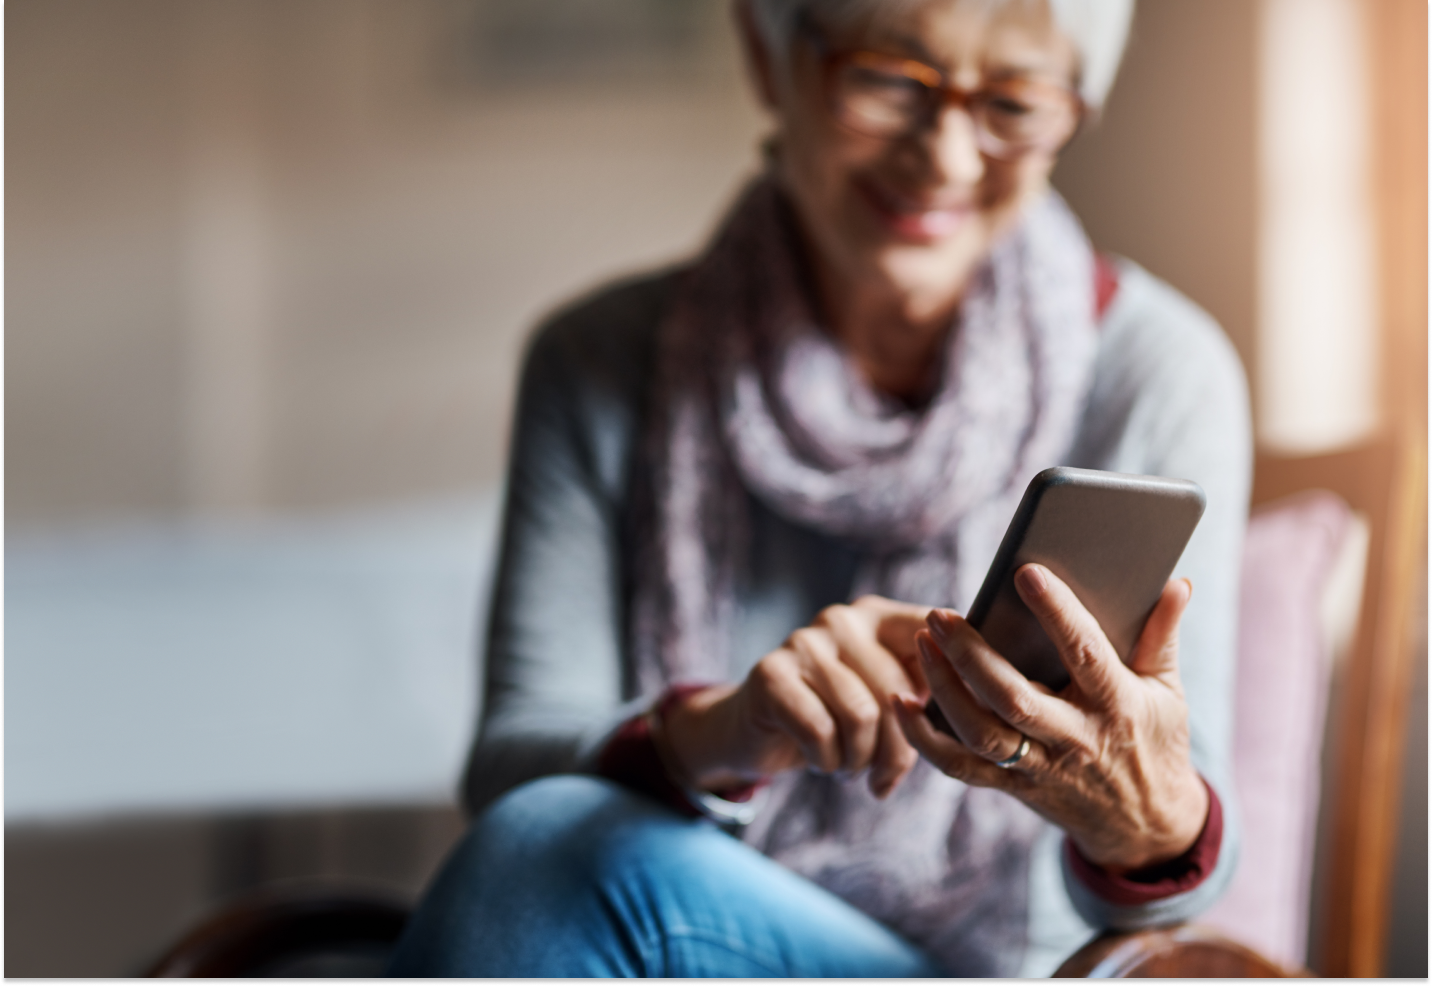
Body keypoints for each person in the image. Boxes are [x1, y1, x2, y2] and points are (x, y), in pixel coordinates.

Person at [389, 0, 1251, 977]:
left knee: (543, 861)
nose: (946, 158)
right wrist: (730, 725)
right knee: (542, 844)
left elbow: (1187, 881)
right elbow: (509, 770)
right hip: (670, 937)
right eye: (888, 78)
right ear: (768, 59)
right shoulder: (597, 361)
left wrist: (1136, 807)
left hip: (1013, 963)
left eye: (1012, 102)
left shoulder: (1155, 368)